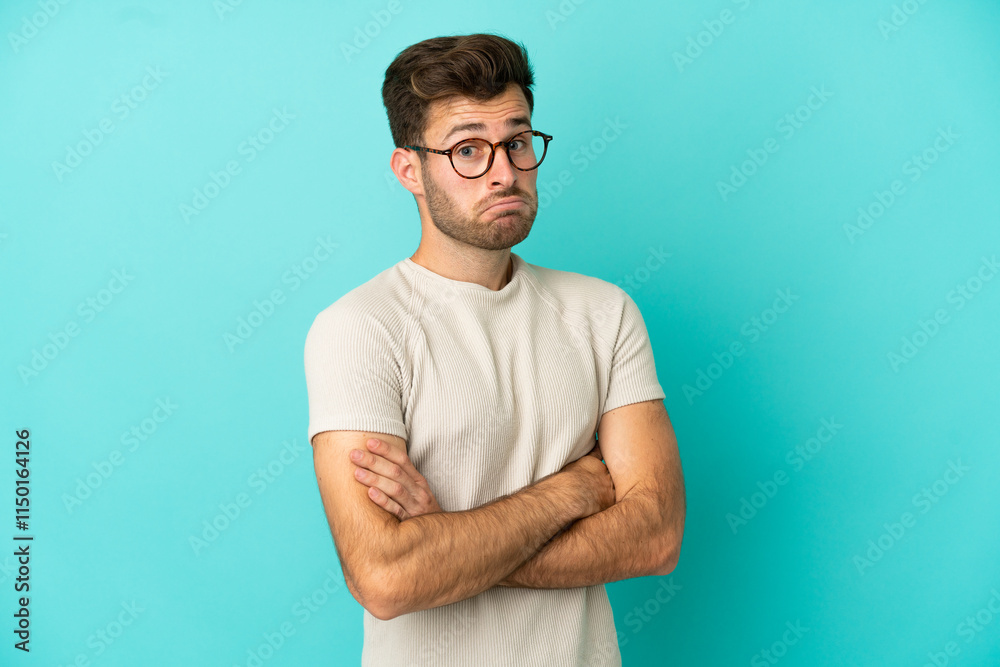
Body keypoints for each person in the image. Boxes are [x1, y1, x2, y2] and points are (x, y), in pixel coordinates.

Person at [303, 32, 685, 666]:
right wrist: (574, 491)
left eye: (517, 141)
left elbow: (655, 537)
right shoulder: (359, 328)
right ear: (409, 171)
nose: (504, 171)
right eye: (468, 150)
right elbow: (386, 578)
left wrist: (445, 539)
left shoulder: (604, 312)